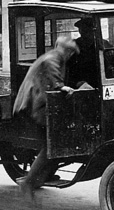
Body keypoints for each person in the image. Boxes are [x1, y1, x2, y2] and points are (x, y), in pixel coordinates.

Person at [13, 37, 79, 199]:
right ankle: (27, 182)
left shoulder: (57, 58)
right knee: (51, 146)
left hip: (41, 103)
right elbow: (55, 80)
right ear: (63, 49)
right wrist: (63, 87)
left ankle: (42, 176)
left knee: (55, 144)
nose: (70, 55)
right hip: (34, 104)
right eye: (69, 51)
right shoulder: (52, 59)